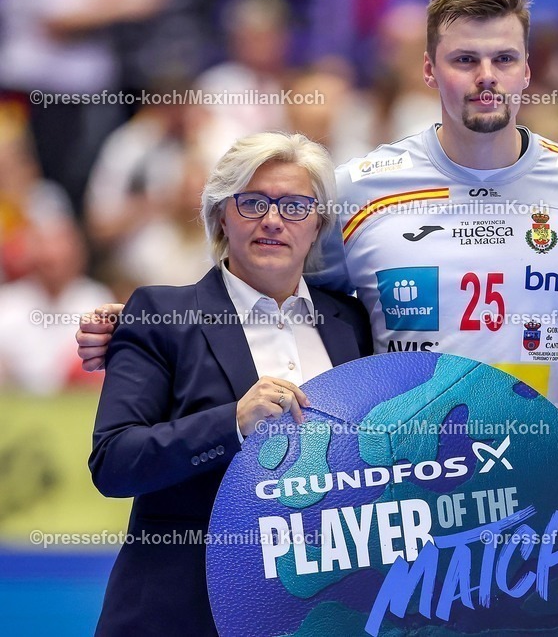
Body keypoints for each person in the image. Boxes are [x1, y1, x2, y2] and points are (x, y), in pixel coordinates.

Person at [79, 0, 558, 481]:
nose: (486, 77)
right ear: (428, 70)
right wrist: (156, 330)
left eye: (504, 58)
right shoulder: (356, 191)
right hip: (404, 492)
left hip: (547, 483)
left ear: (527, 69)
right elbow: (269, 294)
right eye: (464, 59)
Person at [88, 132, 372, 636]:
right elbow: (114, 463)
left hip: (317, 613)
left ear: (319, 225)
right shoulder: (161, 315)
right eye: (253, 202)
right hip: (184, 614)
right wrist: (233, 423)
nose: (273, 219)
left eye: (295, 206)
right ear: (221, 215)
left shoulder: (353, 324)